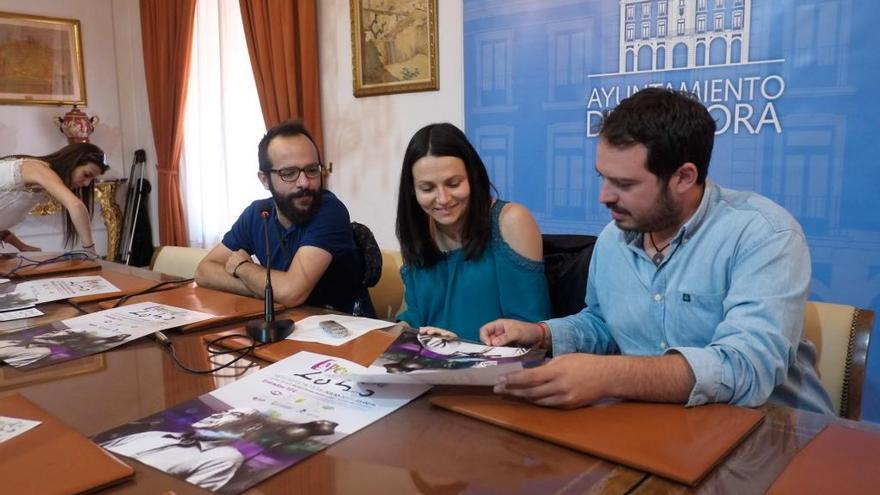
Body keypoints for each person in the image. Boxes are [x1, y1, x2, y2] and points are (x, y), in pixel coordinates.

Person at [482, 88, 833, 414]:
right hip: (666, 434)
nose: (604, 196)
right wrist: (541, 334)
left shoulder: (762, 234)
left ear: (683, 177)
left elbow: (746, 369)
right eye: (602, 177)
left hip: (779, 436)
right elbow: (604, 323)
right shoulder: (613, 238)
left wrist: (608, 376)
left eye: (624, 184)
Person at [195, 120, 374, 316]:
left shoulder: (330, 210)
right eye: (289, 173)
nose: (304, 182)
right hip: (287, 327)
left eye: (312, 170)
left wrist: (243, 268)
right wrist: (265, 290)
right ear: (264, 180)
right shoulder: (258, 213)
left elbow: (291, 293)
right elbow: (204, 272)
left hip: (345, 334)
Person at [395, 123, 552, 342]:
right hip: (430, 367)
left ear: (472, 176)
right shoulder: (418, 232)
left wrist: (459, 350)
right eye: (427, 188)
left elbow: (531, 329)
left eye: (453, 183)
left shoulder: (511, 221)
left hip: (500, 368)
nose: (443, 199)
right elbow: (412, 317)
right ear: (412, 190)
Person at [101, 408, 260, 491]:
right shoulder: (153, 434)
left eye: (236, 414)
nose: (218, 415)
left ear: (247, 428)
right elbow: (93, 456)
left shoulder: (225, 456)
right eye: (224, 411)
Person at [0, 143, 108, 255]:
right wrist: (91, 252)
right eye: (86, 175)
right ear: (72, 162)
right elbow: (76, 205)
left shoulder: (39, 180)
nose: (86, 184)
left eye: (91, 179)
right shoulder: (37, 169)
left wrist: (21, 246)